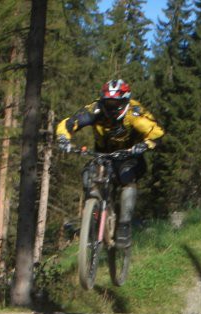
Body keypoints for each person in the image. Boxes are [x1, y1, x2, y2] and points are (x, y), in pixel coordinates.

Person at [56, 79, 164, 248]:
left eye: (116, 103)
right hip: (103, 153)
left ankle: (124, 225)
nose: (112, 107)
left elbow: (156, 131)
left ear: (125, 101)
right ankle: (94, 217)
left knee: (127, 177)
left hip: (129, 155)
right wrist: (64, 138)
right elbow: (70, 122)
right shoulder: (96, 109)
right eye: (108, 103)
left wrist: (145, 144)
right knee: (88, 175)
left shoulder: (135, 113)